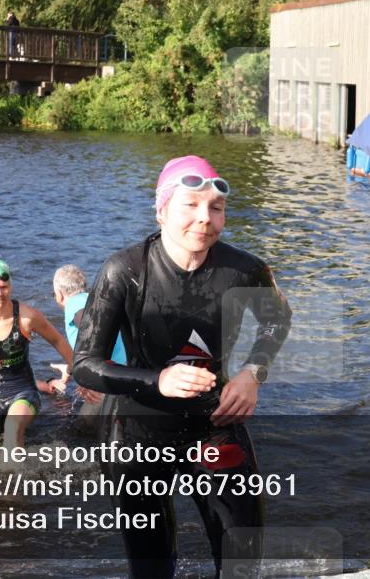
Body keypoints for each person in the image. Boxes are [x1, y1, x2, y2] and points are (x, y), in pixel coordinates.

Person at [72, 155, 292, 578]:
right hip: (136, 435)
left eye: (216, 208)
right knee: (153, 567)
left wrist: (253, 373)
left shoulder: (244, 270)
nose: (204, 219)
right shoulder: (125, 271)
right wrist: (159, 380)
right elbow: (85, 364)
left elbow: (278, 318)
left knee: (242, 560)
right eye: (190, 205)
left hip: (214, 423)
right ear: (162, 209)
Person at [0, 257, 84, 448]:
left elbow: (58, 340)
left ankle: (19, 476)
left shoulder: (26, 316)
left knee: (13, 426)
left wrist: (83, 376)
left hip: (22, 390)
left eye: (4, 287)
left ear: (11, 287)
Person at [52, 264, 125, 365]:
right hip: (124, 361)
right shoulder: (93, 298)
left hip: (109, 368)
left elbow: (88, 322)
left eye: (54, 295)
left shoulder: (72, 304)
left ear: (59, 294)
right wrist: (70, 369)